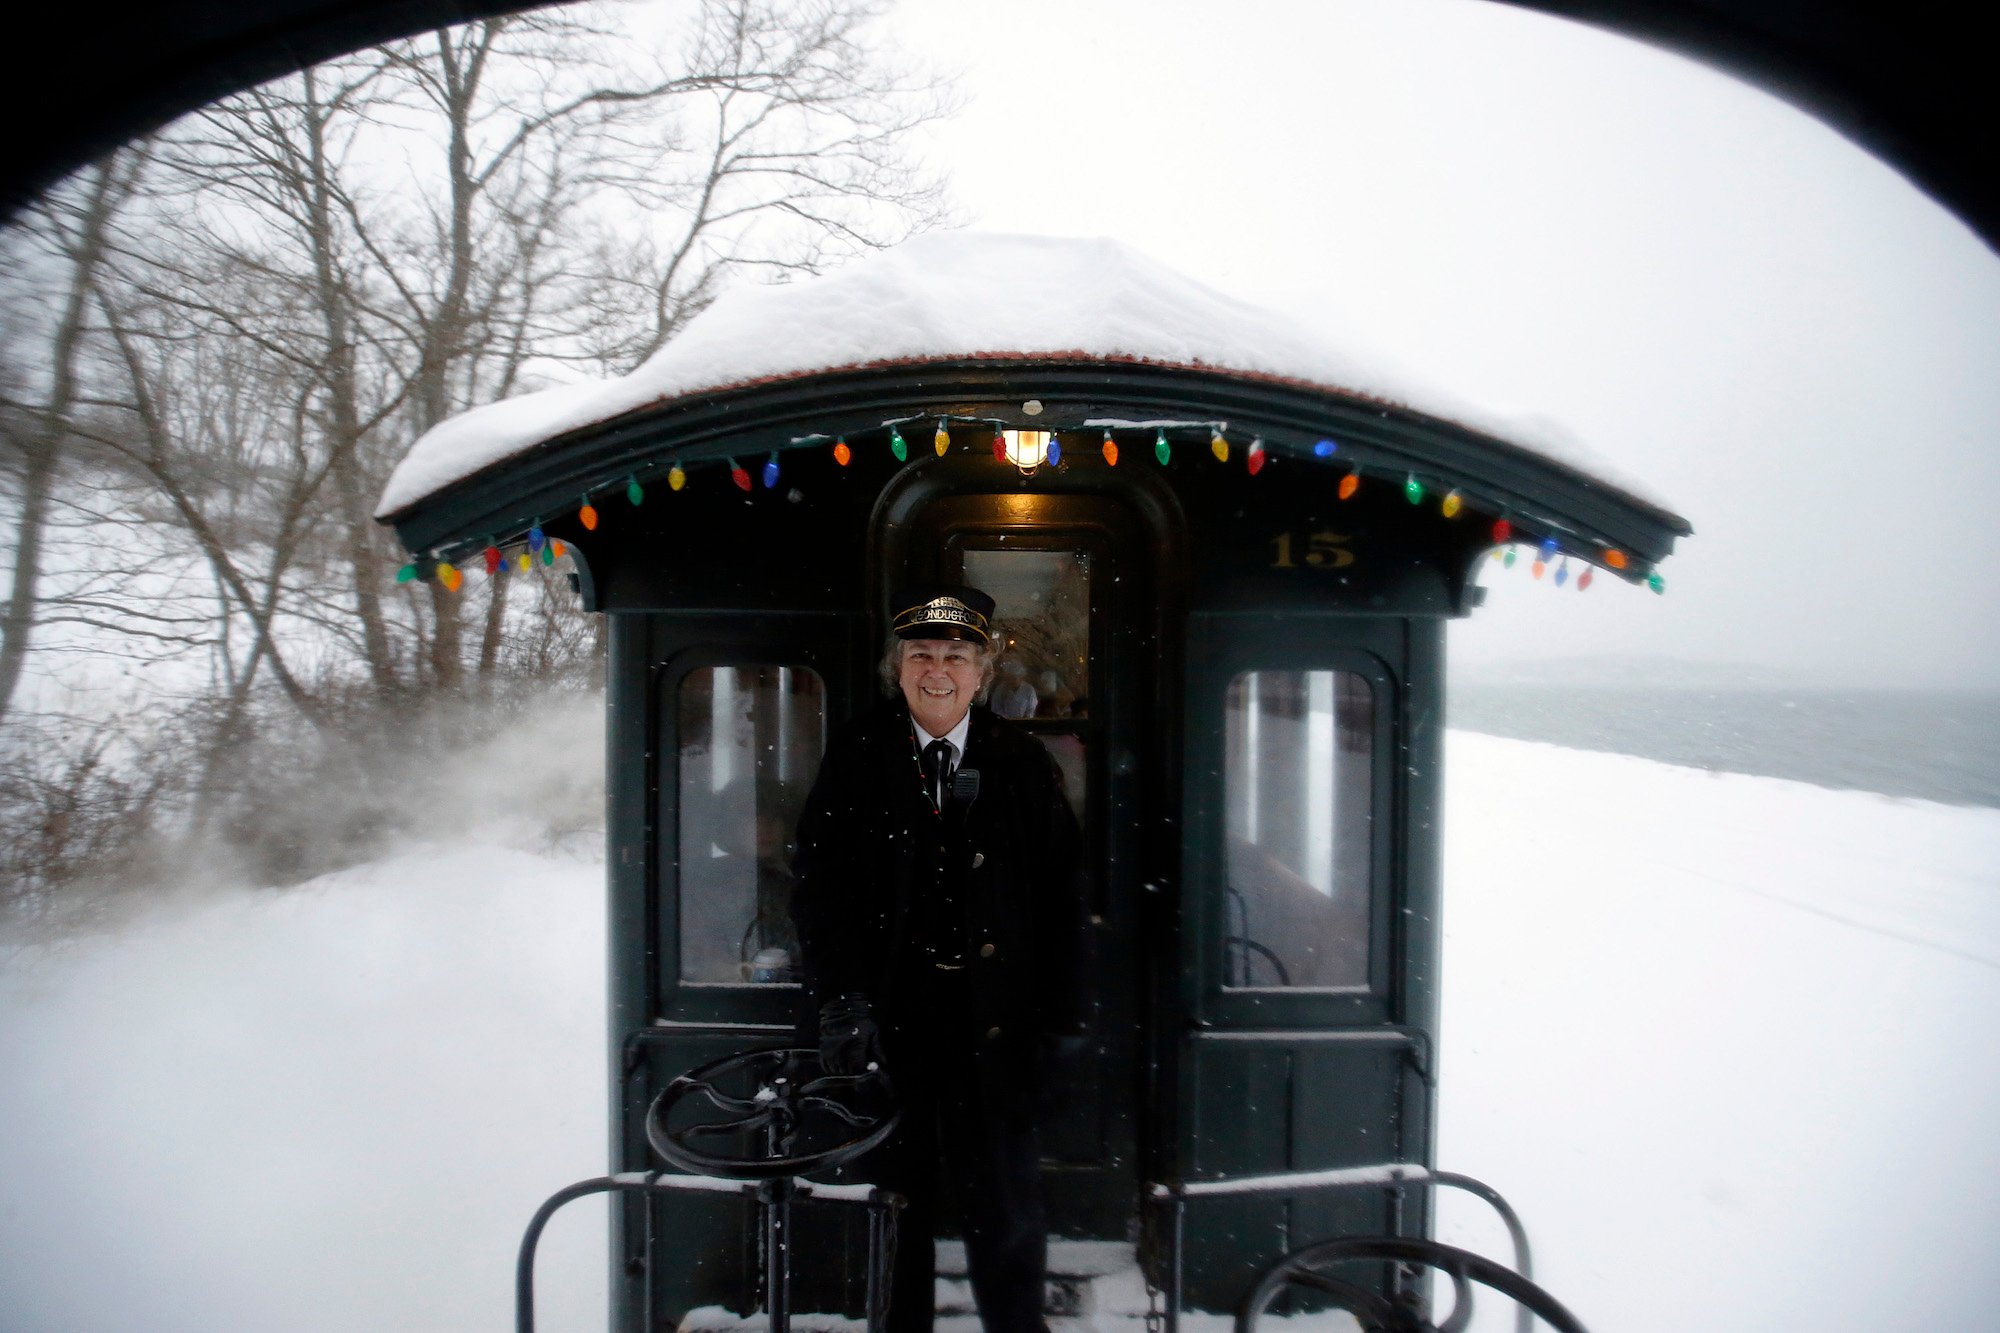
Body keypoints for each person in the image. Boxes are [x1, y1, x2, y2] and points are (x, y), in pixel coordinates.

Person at [790, 584, 1086, 1333]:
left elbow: (1062, 904)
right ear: (898, 667)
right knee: (896, 1203)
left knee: (1008, 1209)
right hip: (897, 1023)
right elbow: (819, 891)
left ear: (981, 671)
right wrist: (843, 1000)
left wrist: (1063, 1022)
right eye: (922, 653)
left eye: (956, 655)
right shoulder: (858, 755)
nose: (938, 668)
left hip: (999, 1027)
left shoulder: (1021, 763)